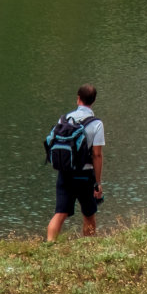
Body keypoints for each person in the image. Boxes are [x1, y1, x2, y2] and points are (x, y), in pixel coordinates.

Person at [46, 84, 104, 241]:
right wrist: (97, 183)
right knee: (89, 215)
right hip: (85, 175)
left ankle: (49, 247)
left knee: (60, 214)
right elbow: (97, 155)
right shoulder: (96, 124)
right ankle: (88, 247)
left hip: (65, 173)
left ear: (78, 98)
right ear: (93, 101)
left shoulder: (64, 119)